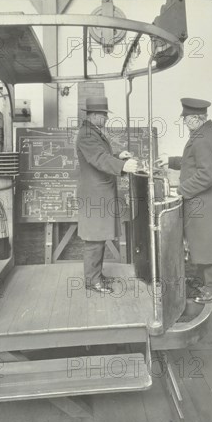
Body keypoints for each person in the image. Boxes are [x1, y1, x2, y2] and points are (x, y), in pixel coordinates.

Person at [157, 98, 212, 304]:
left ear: (194, 119)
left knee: (209, 247)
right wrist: (171, 161)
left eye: (185, 120)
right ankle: (207, 286)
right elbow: (194, 162)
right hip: (209, 203)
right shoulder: (210, 134)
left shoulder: (202, 139)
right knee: (205, 246)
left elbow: (205, 175)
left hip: (204, 203)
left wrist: (180, 191)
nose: (184, 123)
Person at [76, 97, 139, 294]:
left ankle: (96, 276)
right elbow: (98, 158)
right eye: (104, 116)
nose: (106, 119)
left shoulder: (93, 132)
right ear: (94, 115)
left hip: (99, 193)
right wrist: (123, 166)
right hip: (95, 195)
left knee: (99, 237)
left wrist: (118, 155)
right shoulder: (87, 134)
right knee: (94, 238)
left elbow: (103, 154)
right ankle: (92, 281)